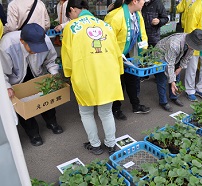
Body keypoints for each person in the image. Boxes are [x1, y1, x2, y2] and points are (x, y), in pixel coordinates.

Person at [62, 0, 124, 155]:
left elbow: (67, 56)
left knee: (86, 112)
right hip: (108, 75)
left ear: (73, 10)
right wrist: (119, 72)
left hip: (85, 75)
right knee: (106, 112)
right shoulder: (106, 25)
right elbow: (117, 52)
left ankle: (95, 145)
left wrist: (68, 74)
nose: (70, 18)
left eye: (69, 15)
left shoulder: (71, 27)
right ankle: (111, 144)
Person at [0, 23, 63, 146]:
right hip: (16, 78)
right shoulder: (7, 45)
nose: (35, 51)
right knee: (22, 106)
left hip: (37, 72)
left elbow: (50, 60)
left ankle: (52, 122)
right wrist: (7, 86)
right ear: (22, 41)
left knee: (46, 96)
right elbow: (2, 72)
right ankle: (33, 133)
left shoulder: (45, 41)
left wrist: (54, 74)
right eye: (32, 48)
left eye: (39, 47)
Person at [104, 0, 151, 120]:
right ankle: (116, 109)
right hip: (116, 56)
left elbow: (142, 33)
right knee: (118, 83)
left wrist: (143, 50)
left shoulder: (137, 14)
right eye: (143, 0)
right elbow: (107, 40)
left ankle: (136, 105)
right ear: (135, 1)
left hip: (131, 54)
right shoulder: (114, 16)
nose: (145, 2)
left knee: (133, 80)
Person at [154, 29, 202, 111]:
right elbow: (169, 64)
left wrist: (180, 68)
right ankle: (163, 102)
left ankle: (174, 97)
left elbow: (187, 57)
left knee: (177, 77)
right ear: (190, 42)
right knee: (162, 79)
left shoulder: (192, 42)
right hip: (161, 56)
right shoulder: (174, 45)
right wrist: (172, 81)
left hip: (175, 57)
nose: (194, 48)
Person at [141, 0, 169, 82]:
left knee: (156, 56)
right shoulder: (139, 3)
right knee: (143, 55)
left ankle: (158, 76)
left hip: (154, 36)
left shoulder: (158, 3)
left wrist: (159, 21)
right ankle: (144, 74)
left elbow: (165, 18)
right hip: (142, 37)